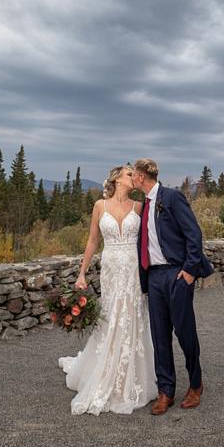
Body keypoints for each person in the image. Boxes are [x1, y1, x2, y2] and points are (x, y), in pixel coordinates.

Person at [58, 165, 157, 414]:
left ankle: (132, 375)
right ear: (116, 179)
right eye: (128, 174)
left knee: (133, 314)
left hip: (133, 270)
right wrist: (81, 273)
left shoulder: (139, 206)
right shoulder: (100, 206)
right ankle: (104, 371)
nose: (133, 177)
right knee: (112, 314)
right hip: (111, 269)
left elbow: (150, 238)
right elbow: (93, 241)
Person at [131, 158, 214, 415]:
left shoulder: (172, 197)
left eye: (134, 174)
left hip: (176, 275)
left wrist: (189, 272)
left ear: (143, 176)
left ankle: (196, 384)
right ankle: (165, 391)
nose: (132, 178)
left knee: (184, 332)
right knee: (159, 336)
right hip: (154, 277)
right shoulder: (143, 206)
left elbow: (194, 234)